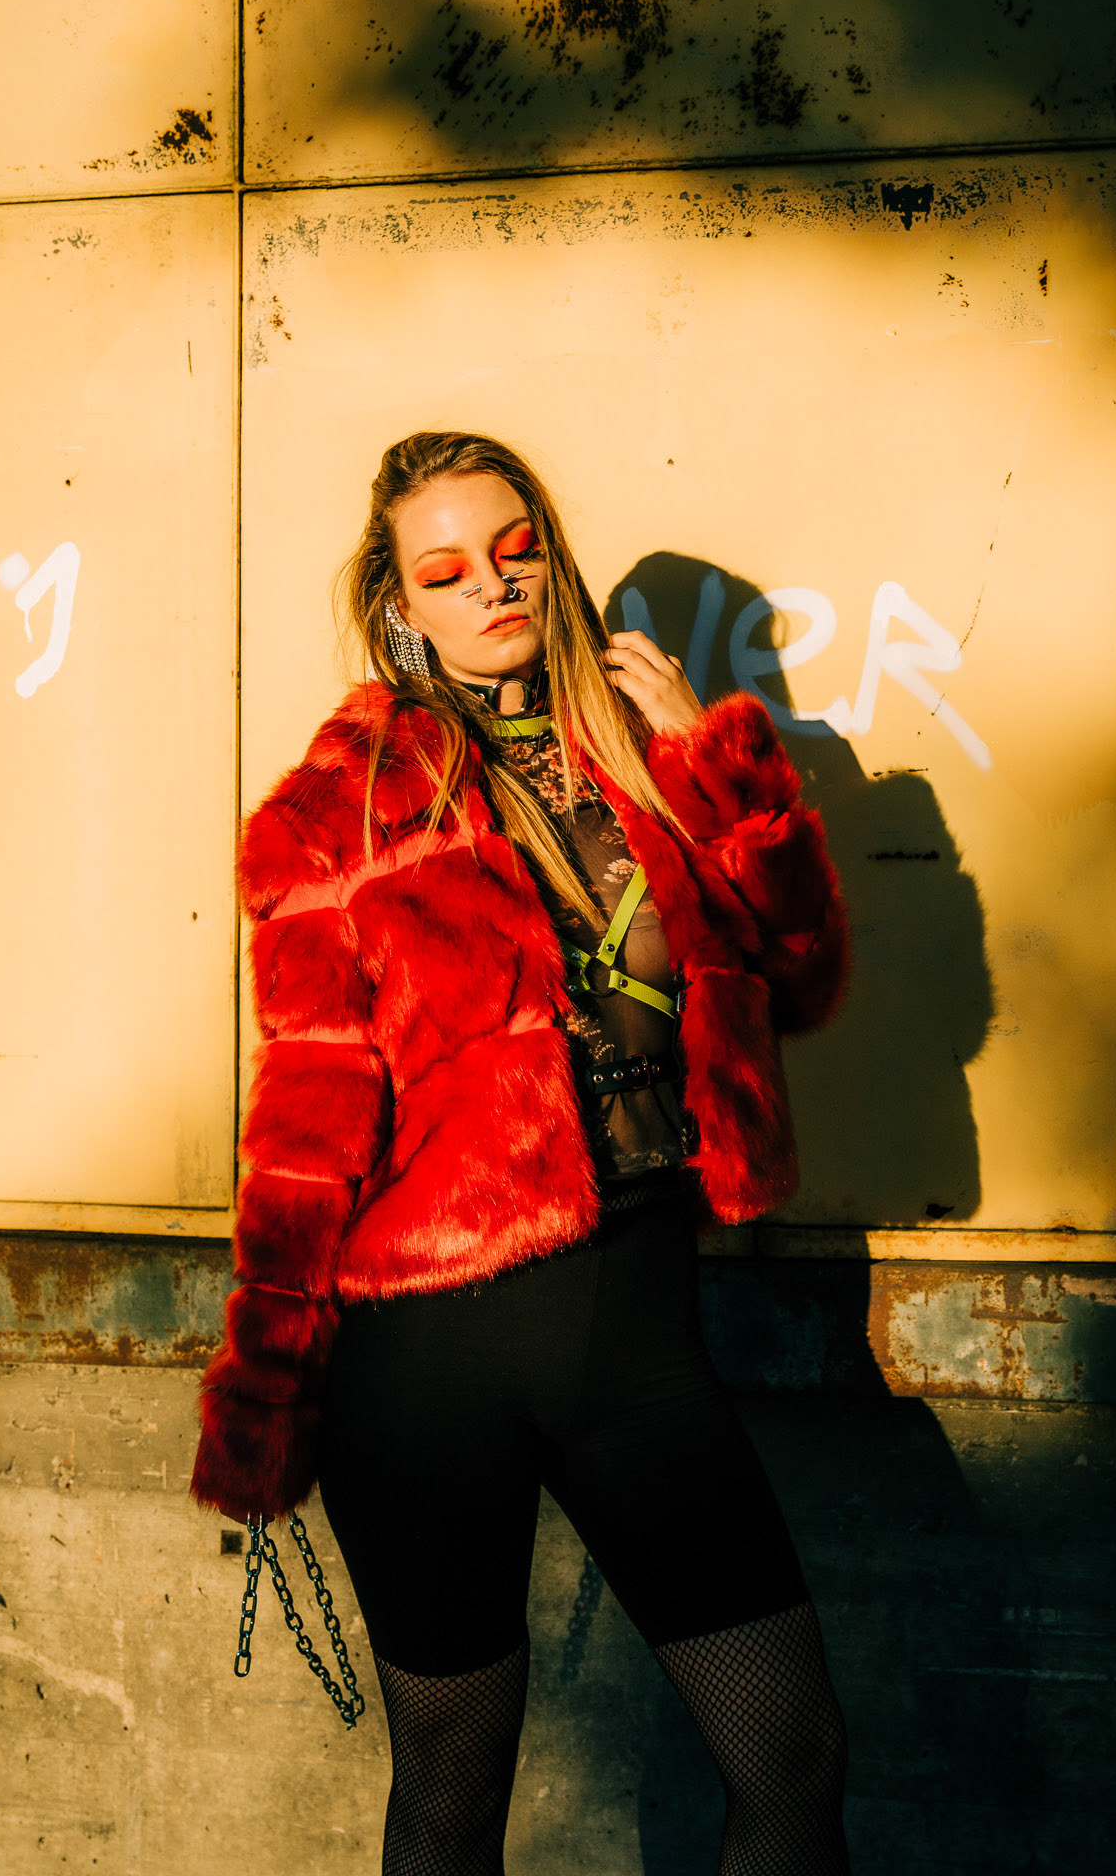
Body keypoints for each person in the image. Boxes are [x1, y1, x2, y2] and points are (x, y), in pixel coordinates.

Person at [192, 431, 852, 1876]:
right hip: (421, 1364)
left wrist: (710, 759)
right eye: (446, 570)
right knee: (450, 1780)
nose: (491, 584)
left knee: (792, 1758)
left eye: (513, 549)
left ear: (548, 551)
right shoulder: (344, 805)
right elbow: (307, 1118)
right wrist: (267, 1384)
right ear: (398, 605)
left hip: (634, 1332)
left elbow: (796, 976)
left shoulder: (644, 761)